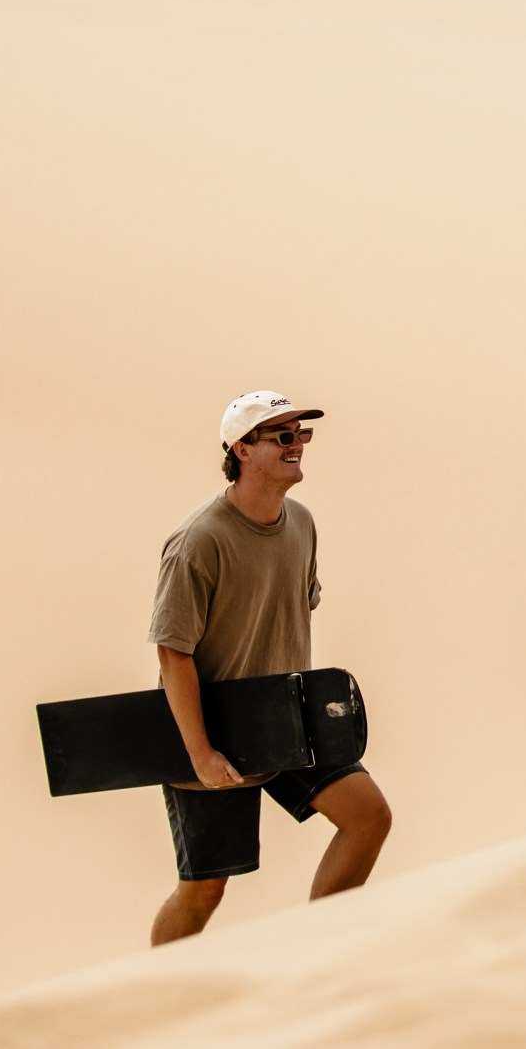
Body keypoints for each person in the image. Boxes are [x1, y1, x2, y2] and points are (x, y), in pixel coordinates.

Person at [145, 390, 391, 945]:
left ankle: (319, 952)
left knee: (368, 816)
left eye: (301, 434)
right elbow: (172, 651)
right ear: (243, 449)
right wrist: (201, 753)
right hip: (214, 731)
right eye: (282, 435)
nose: (297, 444)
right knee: (205, 888)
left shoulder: (301, 522)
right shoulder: (198, 541)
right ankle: (156, 999)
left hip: (285, 720)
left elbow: (297, 607)